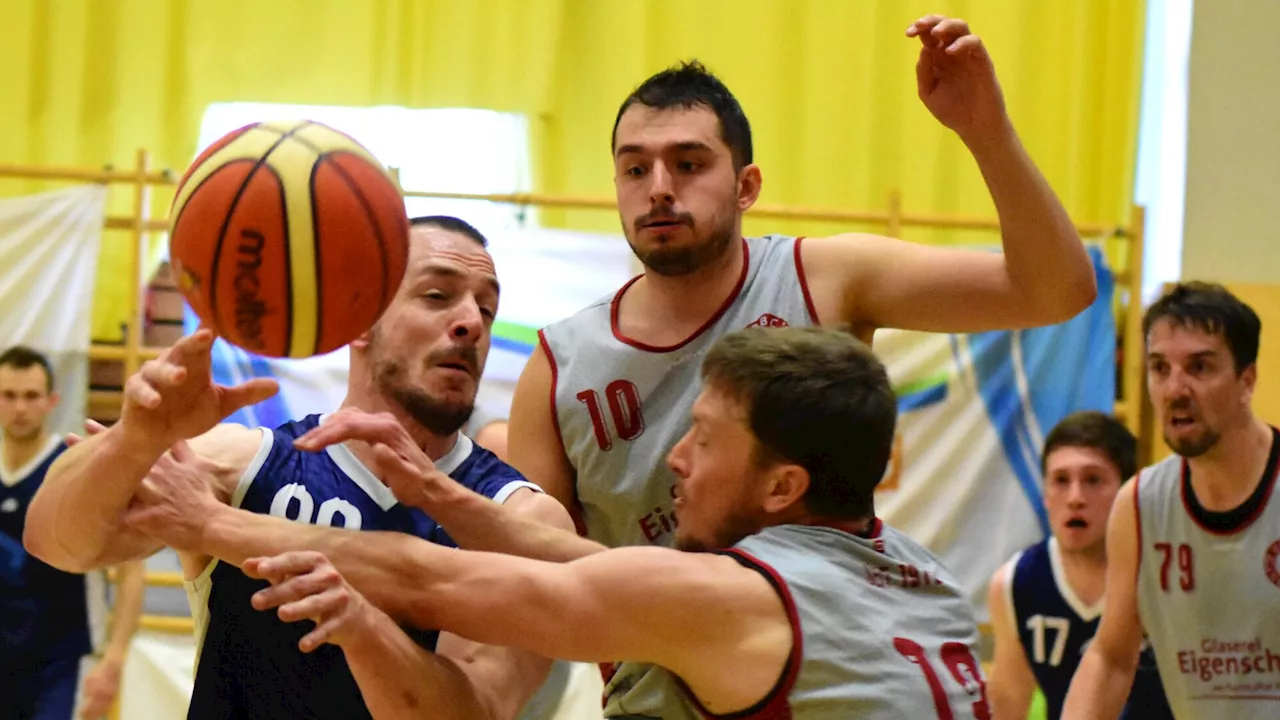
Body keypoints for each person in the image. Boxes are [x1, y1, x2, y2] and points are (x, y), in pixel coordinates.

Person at [118, 325, 992, 719]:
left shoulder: (739, 598)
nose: (676, 459)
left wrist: (217, 527)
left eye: (703, 438)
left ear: (781, 485)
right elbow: (583, 565)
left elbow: (433, 579)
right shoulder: (917, 573)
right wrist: (435, 492)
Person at [23, 217, 571, 720]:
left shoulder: (523, 519)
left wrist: (363, 627)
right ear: (360, 320)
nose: (472, 323)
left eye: (487, 308)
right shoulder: (249, 462)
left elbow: (471, 713)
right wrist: (135, 439)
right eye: (437, 296)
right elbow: (58, 542)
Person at [1063, 282, 1279, 719]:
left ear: (1247, 379)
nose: (1175, 389)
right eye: (1160, 368)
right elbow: (1111, 658)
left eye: (1199, 367)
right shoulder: (1140, 506)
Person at [987, 411, 1172, 719]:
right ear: (1044, 494)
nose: (1075, 498)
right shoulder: (1014, 584)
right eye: (1060, 480)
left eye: (1093, 480)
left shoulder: (1168, 573)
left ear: (1129, 492)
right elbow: (1008, 704)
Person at [0, 345, 145, 720]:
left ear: (52, 401)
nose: (19, 408)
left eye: (31, 396)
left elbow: (131, 571)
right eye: (8, 395)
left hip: (61, 660)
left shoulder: (75, 470)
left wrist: (113, 660)